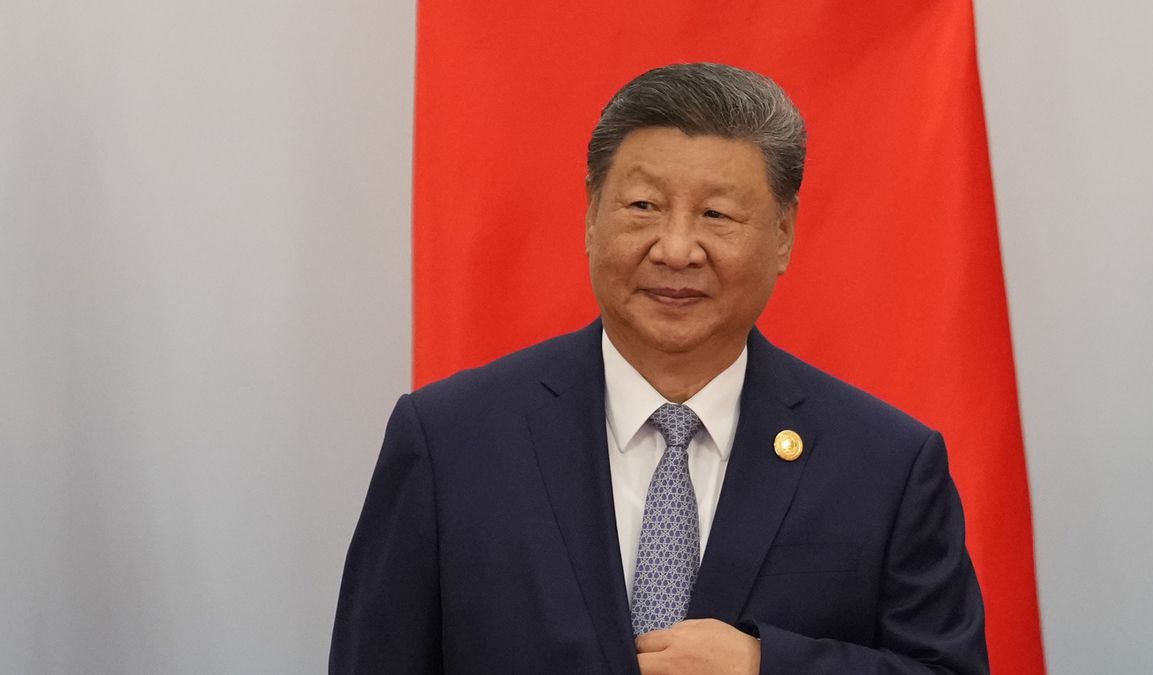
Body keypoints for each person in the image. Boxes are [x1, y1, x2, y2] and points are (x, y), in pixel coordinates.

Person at [330, 63, 988, 674]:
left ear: (783, 233)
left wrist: (770, 666)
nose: (676, 249)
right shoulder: (452, 440)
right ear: (591, 215)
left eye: (716, 215)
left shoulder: (885, 463)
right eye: (643, 206)